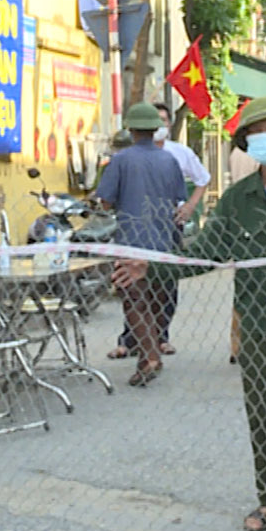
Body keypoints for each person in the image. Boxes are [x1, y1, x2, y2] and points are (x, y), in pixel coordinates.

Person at [113, 97, 266, 531]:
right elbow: (205, 252)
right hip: (258, 325)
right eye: (256, 131)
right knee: (263, 417)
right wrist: (153, 264)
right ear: (246, 141)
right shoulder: (238, 199)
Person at [111, 101, 214, 359]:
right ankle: (138, 342)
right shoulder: (163, 160)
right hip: (157, 232)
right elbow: (176, 193)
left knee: (146, 289)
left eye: (165, 120)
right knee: (146, 287)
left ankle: (155, 344)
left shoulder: (171, 154)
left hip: (143, 231)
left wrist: (189, 208)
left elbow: (106, 199)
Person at [95, 103, 188, 386]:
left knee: (135, 302)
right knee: (158, 302)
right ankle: (151, 351)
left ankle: (148, 355)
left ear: (131, 129)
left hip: (131, 241)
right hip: (163, 240)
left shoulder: (120, 161)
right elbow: (178, 197)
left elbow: (106, 201)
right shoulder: (169, 160)